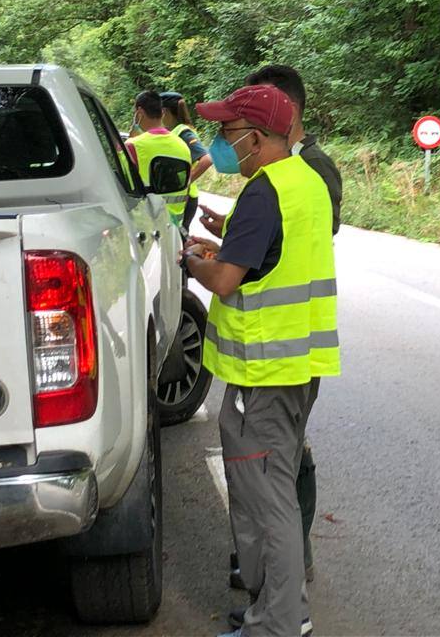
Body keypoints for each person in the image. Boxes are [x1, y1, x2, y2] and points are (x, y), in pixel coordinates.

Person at [181, 84, 340, 637]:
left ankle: (278, 623)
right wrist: (223, 245)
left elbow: (226, 281)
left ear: (256, 137)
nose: (222, 143)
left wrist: (194, 261)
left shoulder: (265, 189)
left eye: (228, 133)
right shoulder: (306, 182)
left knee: (267, 500)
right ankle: (270, 609)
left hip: (265, 370)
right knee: (269, 492)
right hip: (296, 364)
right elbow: (274, 251)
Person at [125, 90, 193, 227]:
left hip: (147, 227)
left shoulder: (133, 145)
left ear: (139, 112)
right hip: (175, 225)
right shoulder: (182, 144)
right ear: (162, 113)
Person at [161, 91, 213, 231]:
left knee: (180, 238)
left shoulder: (184, 132)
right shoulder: (173, 131)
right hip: (180, 197)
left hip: (187, 197)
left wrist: (187, 181)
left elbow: (206, 159)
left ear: (164, 111)